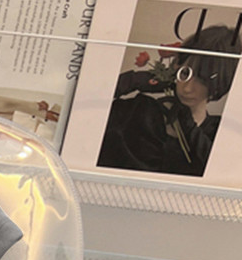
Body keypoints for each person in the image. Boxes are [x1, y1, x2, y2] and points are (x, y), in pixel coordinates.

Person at [97, 24, 240, 177]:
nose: (187, 88)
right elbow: (86, 105)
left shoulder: (220, 134)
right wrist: (135, 80)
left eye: (202, 80)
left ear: (221, 83)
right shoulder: (138, 110)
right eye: (185, 73)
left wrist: (188, 125)